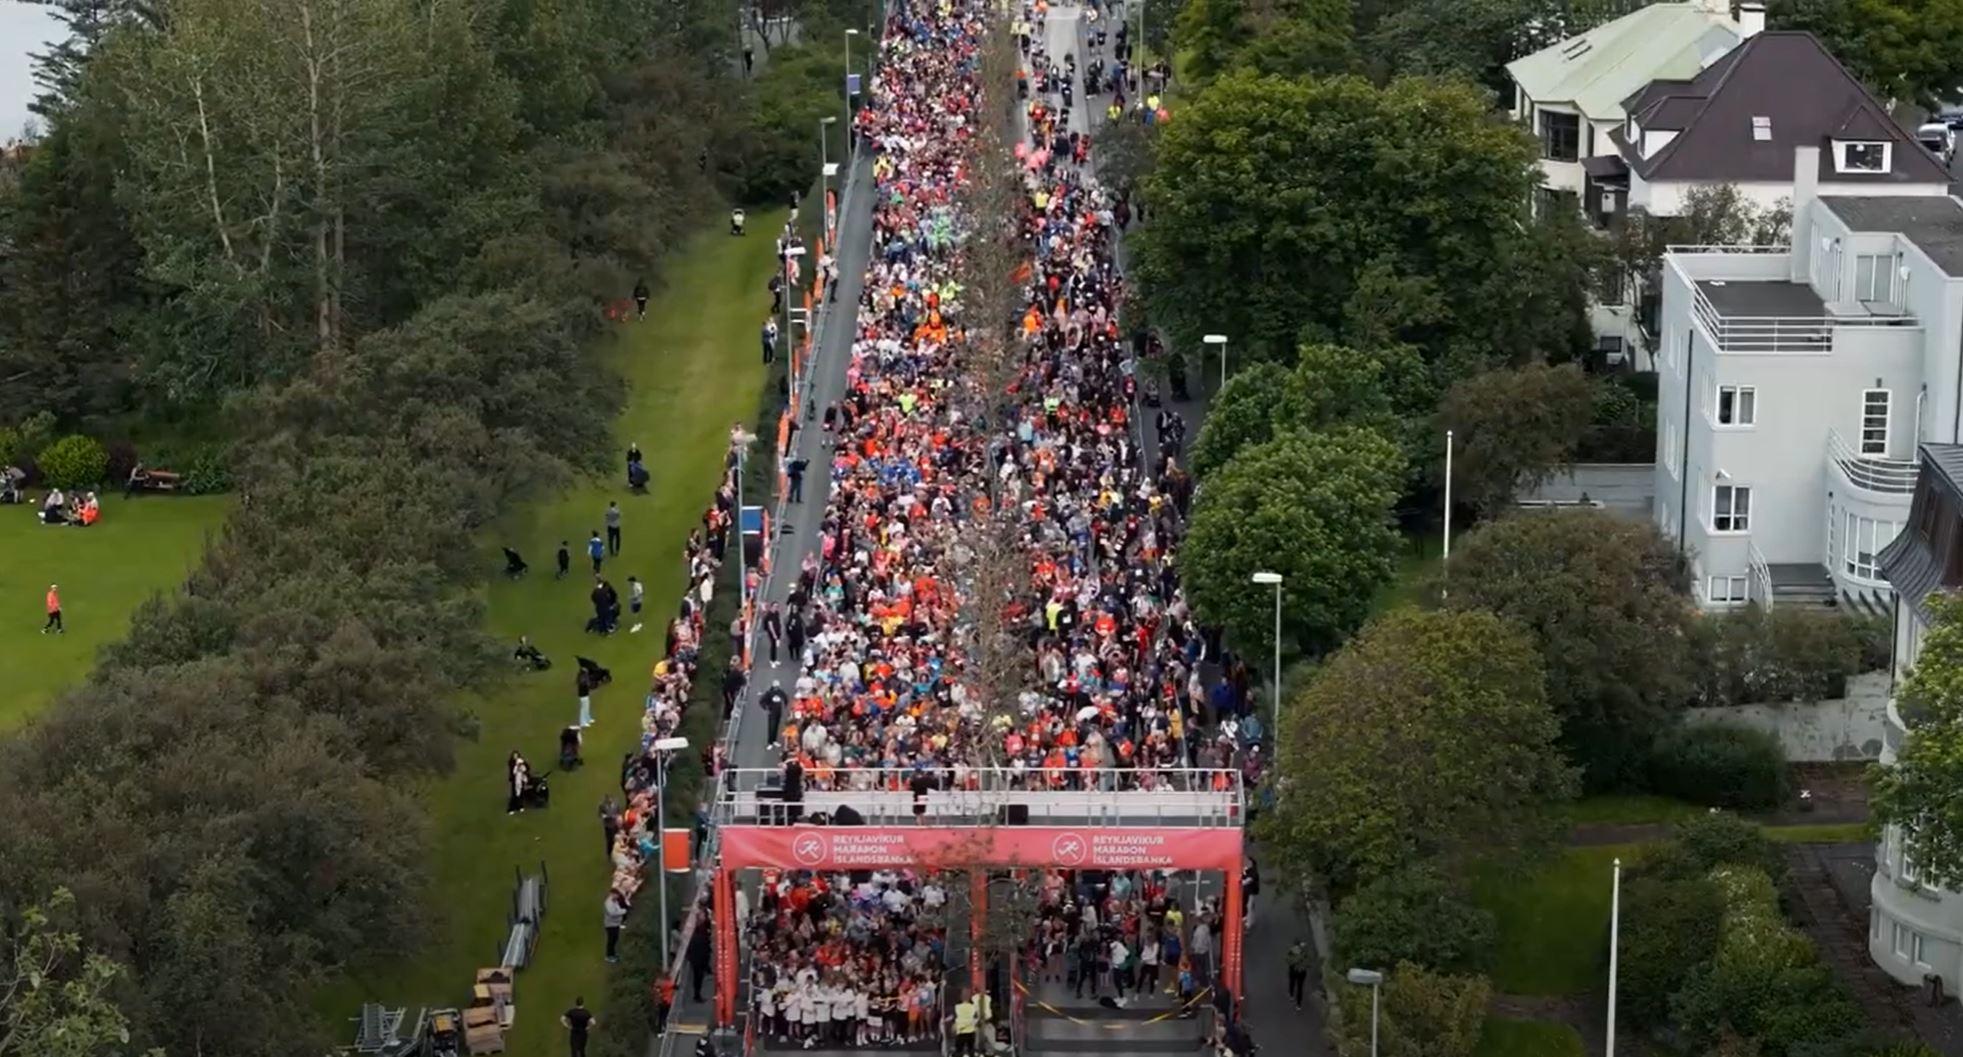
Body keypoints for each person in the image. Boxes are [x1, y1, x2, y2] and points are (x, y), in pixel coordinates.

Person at [687, 916, 713, 1001]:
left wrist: (690, 959)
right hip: (701, 962)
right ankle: (697, 995)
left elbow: (689, 950)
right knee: (699, 978)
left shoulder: (693, 939)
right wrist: (706, 965)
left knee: (696, 978)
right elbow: (706, 951)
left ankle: (696, 994)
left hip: (695, 962)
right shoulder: (703, 939)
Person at [603, 889, 630, 963]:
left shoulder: (615, 902)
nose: (617, 896)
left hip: (616, 924)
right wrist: (623, 911)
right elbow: (612, 913)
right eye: (616, 895)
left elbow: (618, 909)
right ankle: (608, 956)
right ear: (612, 894)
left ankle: (613, 954)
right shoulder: (609, 903)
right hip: (610, 924)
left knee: (615, 939)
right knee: (611, 940)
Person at [761, 680, 788, 750]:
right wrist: (766, 708)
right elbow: (762, 701)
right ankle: (770, 742)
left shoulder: (780, 692)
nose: (777, 688)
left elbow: (785, 697)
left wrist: (785, 704)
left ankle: (774, 740)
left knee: (776, 727)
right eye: (775, 687)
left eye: (777, 687)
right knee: (771, 727)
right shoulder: (769, 693)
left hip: (778, 712)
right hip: (772, 713)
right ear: (773, 686)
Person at [1285, 940, 1309, 1011]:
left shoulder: (1292, 951)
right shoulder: (1303, 952)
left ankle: (1291, 995)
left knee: (1292, 982)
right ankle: (1298, 1005)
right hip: (1302, 972)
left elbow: (1288, 960)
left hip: (1293, 971)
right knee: (1300, 988)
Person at [952, 993, 978, 1057]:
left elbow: (955, 1018)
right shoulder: (973, 1007)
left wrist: (954, 1027)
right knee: (971, 1050)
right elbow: (976, 1018)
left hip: (961, 1031)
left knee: (959, 1051)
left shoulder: (957, 1007)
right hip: (971, 1031)